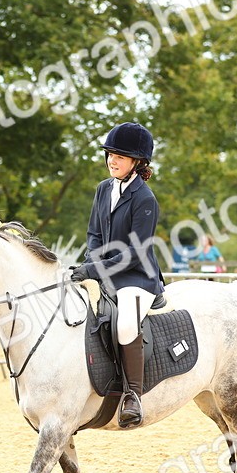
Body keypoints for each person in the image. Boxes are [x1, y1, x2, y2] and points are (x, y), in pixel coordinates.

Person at [70, 121, 164, 429]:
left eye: (120, 156)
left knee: (125, 324)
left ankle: (132, 396)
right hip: (106, 273)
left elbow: (135, 253)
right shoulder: (103, 189)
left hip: (137, 277)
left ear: (137, 162)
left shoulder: (145, 198)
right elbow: (94, 233)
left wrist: (95, 269)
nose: (112, 160)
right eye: (110, 153)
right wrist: (91, 264)